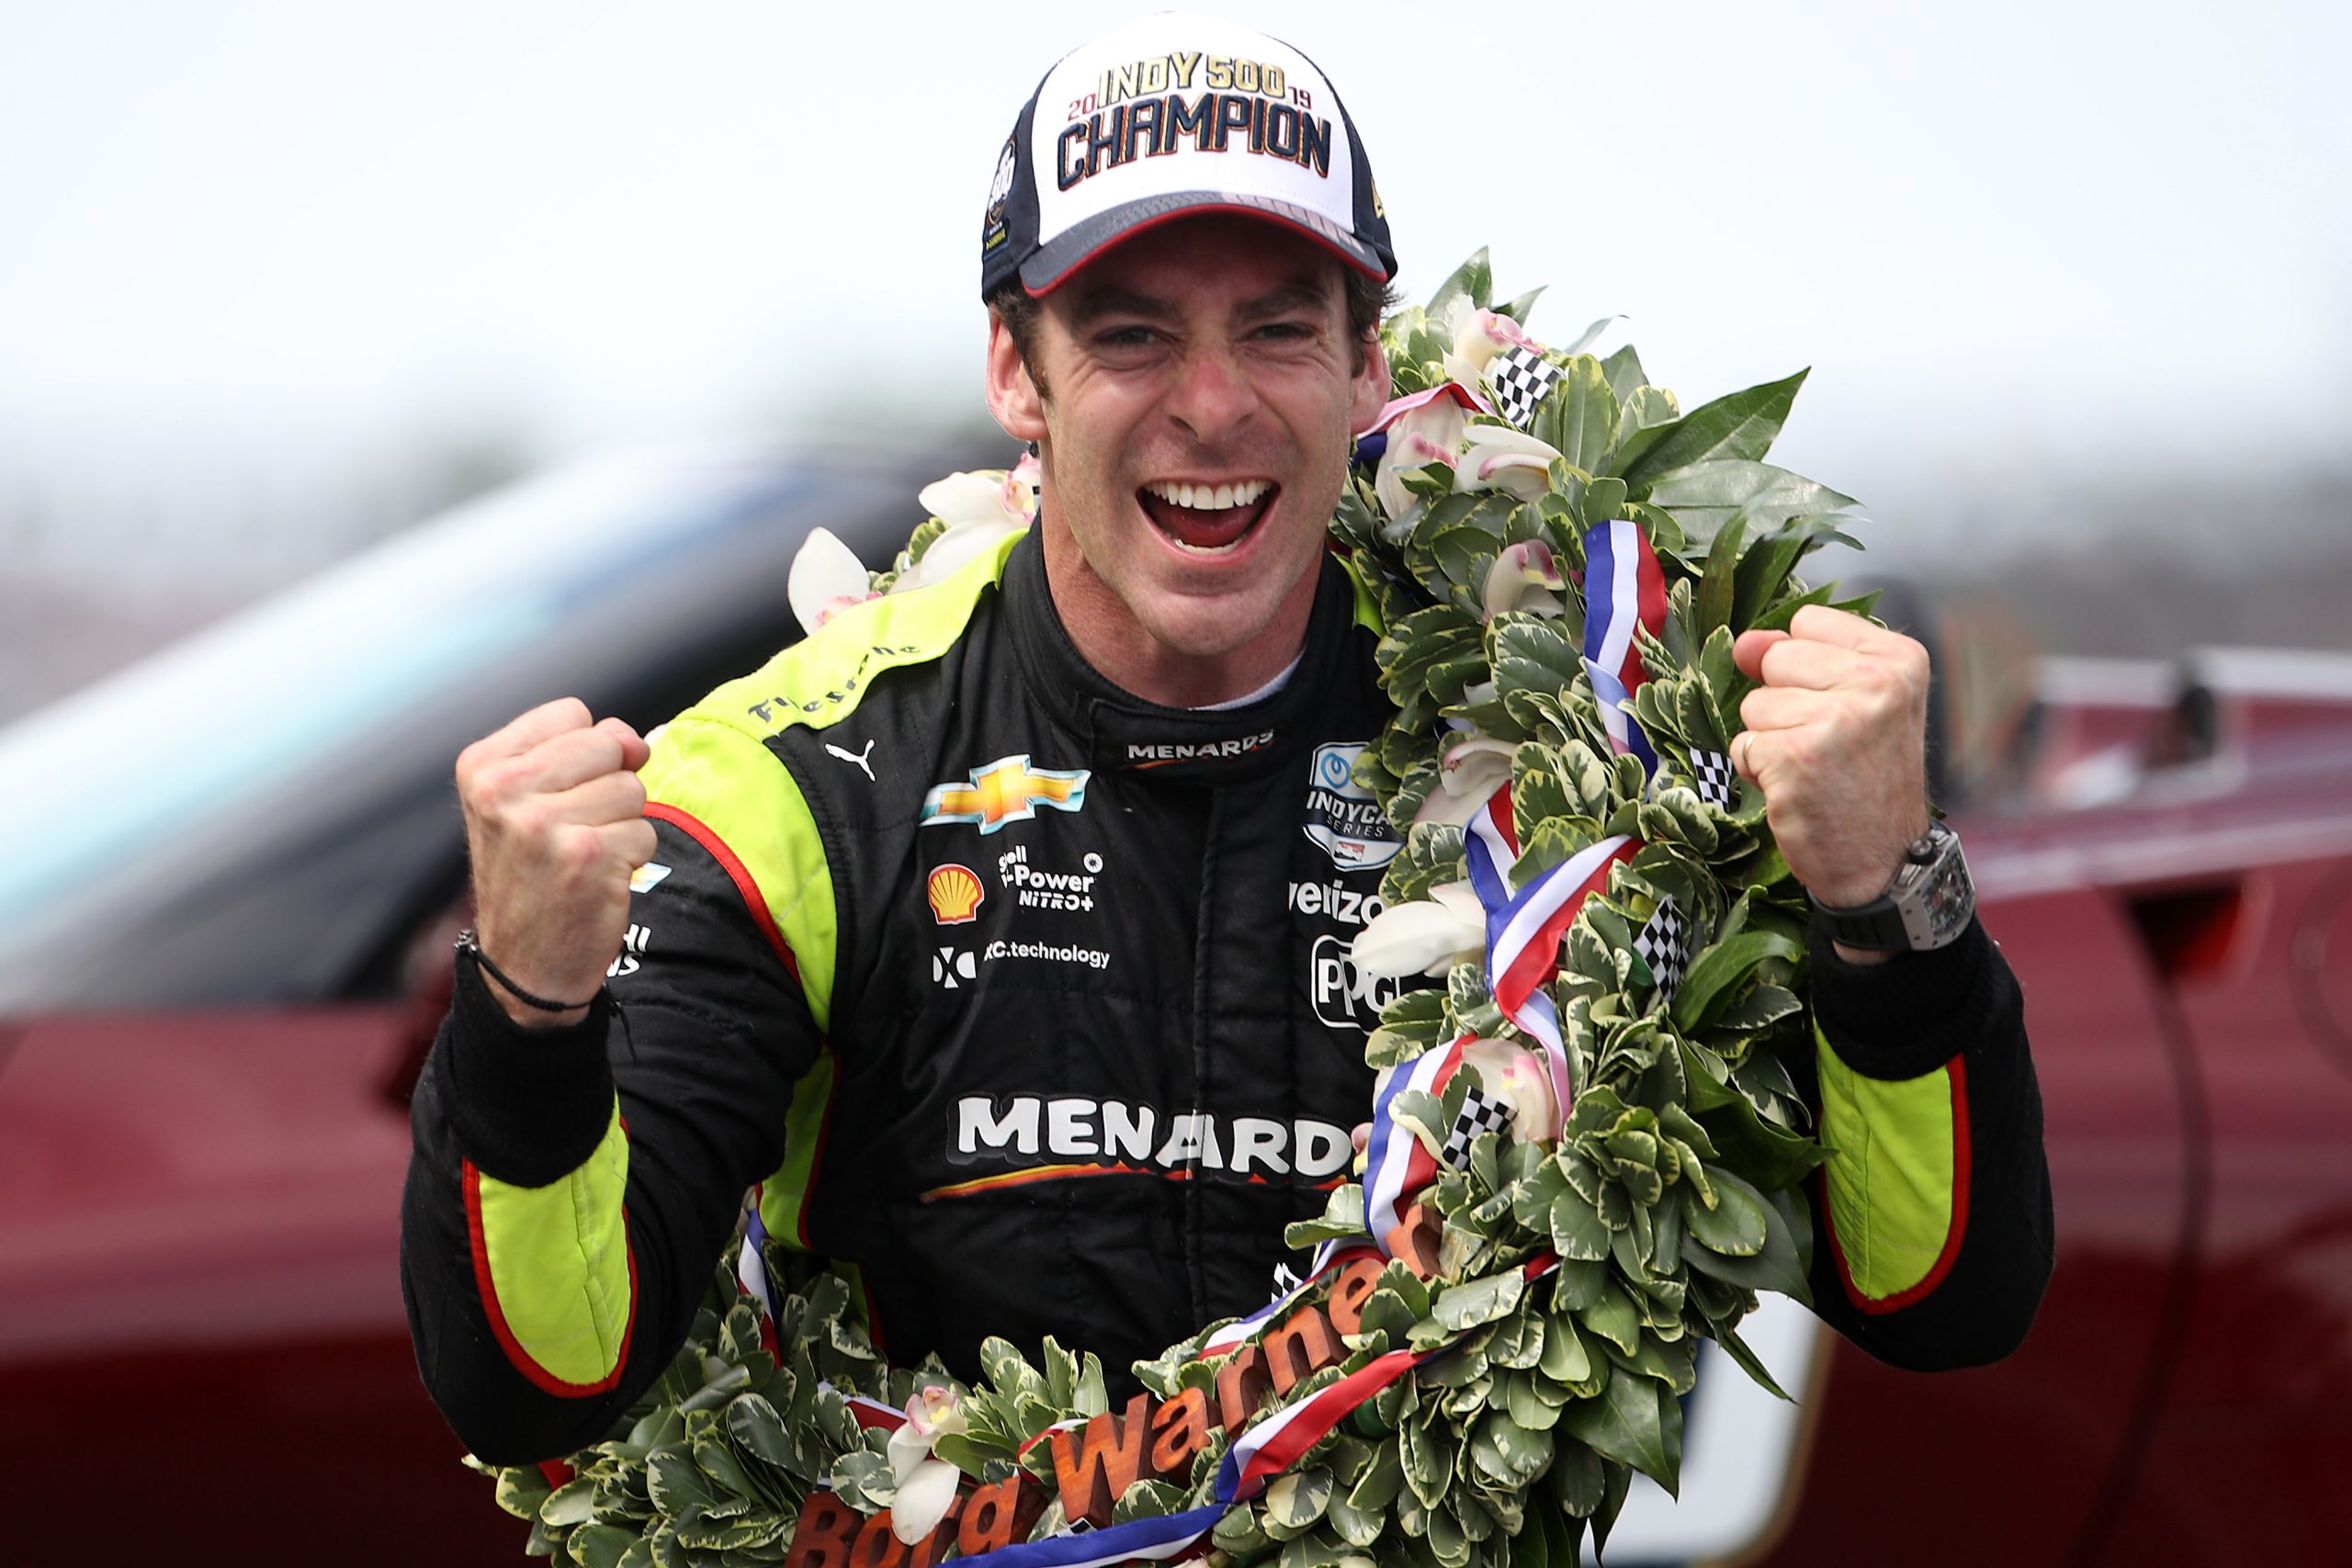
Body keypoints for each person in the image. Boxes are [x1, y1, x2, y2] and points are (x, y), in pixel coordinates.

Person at [401, 12, 2052, 1467]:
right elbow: (541, 1385)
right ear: (1017, 370)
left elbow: (1943, 1299)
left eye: (1276, 328)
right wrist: (526, 1015)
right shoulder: (803, 779)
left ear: (1366, 365)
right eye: (1131, 334)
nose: (1212, 403)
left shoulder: (1585, 741)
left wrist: (1884, 900)